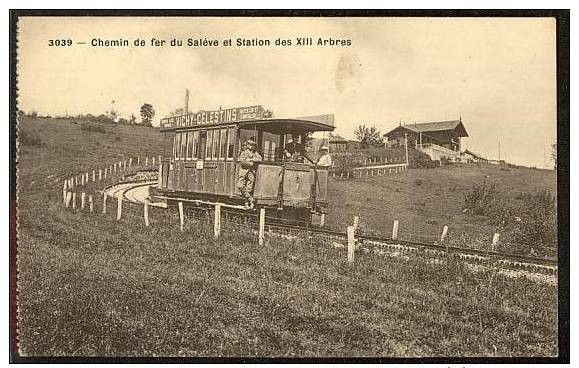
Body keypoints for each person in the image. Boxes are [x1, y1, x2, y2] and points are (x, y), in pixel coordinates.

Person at [237, 139, 262, 209]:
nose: (251, 146)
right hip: (243, 172)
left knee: (249, 188)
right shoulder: (243, 153)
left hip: (251, 172)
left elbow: (260, 159)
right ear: (247, 145)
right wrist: (252, 163)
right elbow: (243, 162)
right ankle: (250, 199)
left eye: (253, 145)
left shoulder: (255, 153)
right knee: (240, 186)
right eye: (250, 145)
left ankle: (247, 203)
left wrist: (251, 160)